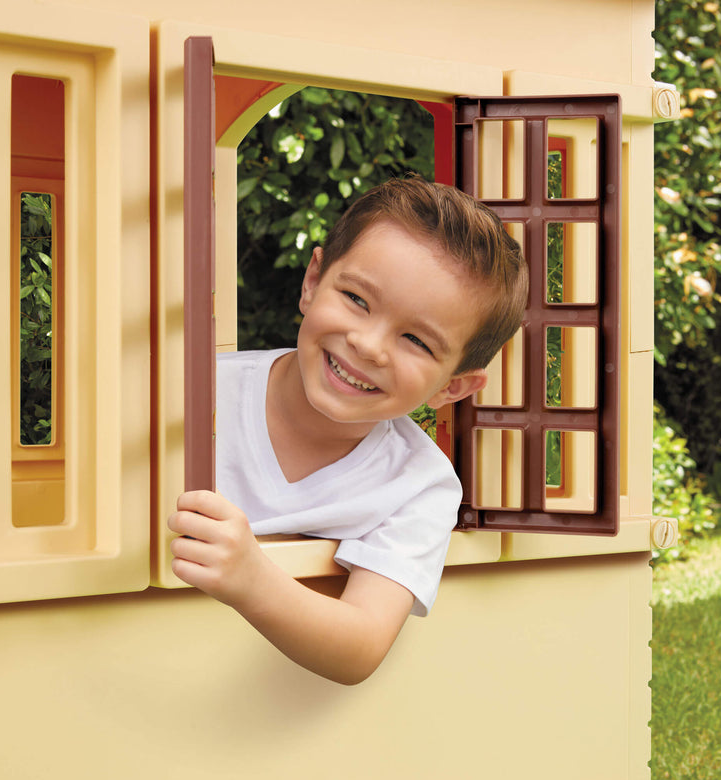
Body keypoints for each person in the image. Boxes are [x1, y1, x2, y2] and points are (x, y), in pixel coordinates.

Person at [168, 176, 528, 684]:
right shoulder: (185, 390)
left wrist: (251, 577)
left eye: (417, 341)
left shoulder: (420, 483)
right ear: (313, 281)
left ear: (455, 386)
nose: (370, 345)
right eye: (358, 299)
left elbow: (360, 646)